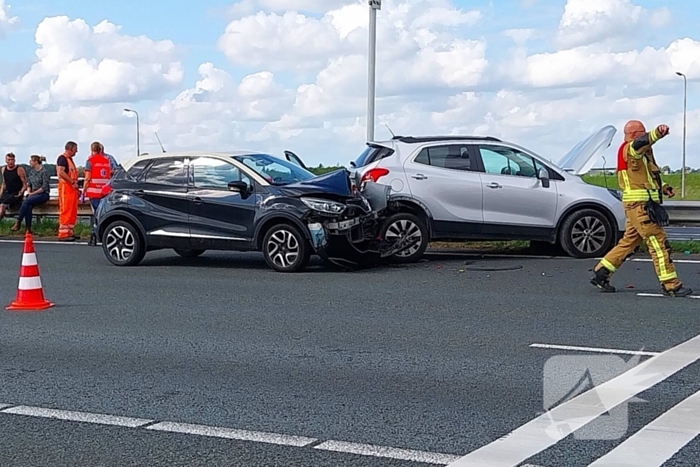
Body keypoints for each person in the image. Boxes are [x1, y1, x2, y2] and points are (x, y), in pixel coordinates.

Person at [590, 120, 692, 297]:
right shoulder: (630, 149)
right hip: (641, 207)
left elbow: (647, 177)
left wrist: (664, 187)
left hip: (638, 206)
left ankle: (602, 272)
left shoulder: (641, 156)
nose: (644, 135)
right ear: (633, 134)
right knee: (658, 243)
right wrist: (658, 133)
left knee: (629, 242)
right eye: (641, 132)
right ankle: (671, 285)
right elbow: (642, 142)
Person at [81, 142, 112, 245]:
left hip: (94, 193)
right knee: (103, 214)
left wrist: (83, 192)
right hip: (105, 193)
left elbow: (87, 178)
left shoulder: (90, 161)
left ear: (92, 150)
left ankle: (93, 236)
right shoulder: (107, 161)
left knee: (96, 215)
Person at [12, 155, 50, 233]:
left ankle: (19, 221)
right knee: (28, 205)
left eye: (31, 161)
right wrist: (29, 191)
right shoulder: (32, 172)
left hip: (42, 194)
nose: (30, 162)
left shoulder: (44, 171)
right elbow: (29, 184)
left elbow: (44, 187)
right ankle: (28, 228)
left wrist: (32, 193)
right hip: (33, 194)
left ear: (36, 162)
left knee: (27, 201)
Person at [57, 141, 80, 241]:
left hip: (71, 188)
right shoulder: (62, 158)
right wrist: (72, 182)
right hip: (66, 188)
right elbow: (61, 172)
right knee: (66, 210)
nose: (76, 151)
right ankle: (63, 233)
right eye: (75, 149)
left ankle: (69, 232)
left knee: (72, 211)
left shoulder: (69, 159)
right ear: (70, 148)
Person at [0, 152, 27, 222]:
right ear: (6, 160)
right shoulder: (3, 169)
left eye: (12, 160)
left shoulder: (19, 169)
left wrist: (21, 192)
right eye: (9, 160)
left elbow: (25, 184)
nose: (10, 162)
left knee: (2, 207)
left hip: (16, 194)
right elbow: (4, 183)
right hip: (6, 193)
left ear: (14, 160)